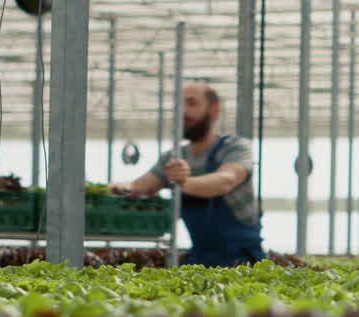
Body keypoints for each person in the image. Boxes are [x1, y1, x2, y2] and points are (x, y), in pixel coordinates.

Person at [110, 82, 265, 267]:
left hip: (243, 261)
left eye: (192, 103)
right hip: (200, 259)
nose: (183, 111)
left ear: (214, 110)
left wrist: (183, 182)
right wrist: (106, 188)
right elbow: (139, 186)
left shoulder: (235, 148)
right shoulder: (173, 157)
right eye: (179, 105)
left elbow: (225, 180)